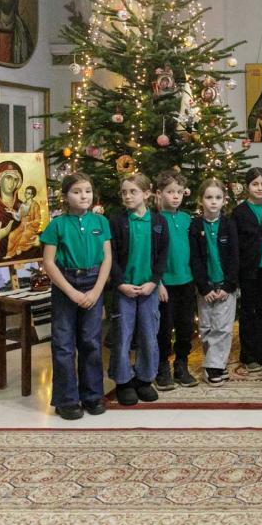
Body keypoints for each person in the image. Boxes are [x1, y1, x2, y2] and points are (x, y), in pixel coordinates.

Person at [40, 173, 112, 421]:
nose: (84, 196)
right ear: (65, 197)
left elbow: (107, 258)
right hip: (65, 284)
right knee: (63, 343)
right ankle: (67, 400)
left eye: (88, 191)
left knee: (91, 341)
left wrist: (97, 290)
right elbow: (49, 262)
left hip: (93, 283)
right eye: (77, 192)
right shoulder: (57, 225)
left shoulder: (101, 222)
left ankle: (92, 395)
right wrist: (70, 291)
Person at [108, 173, 168, 406]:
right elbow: (111, 256)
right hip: (124, 288)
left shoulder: (158, 222)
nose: (127, 196)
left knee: (148, 335)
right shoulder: (117, 221)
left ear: (147, 193)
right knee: (122, 336)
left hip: (148, 289)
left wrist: (154, 281)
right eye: (124, 192)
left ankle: (144, 379)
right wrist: (120, 283)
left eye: (133, 191)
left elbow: (162, 255)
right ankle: (123, 381)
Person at [188, 178, 240, 385]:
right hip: (206, 287)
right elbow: (195, 258)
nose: (213, 201)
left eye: (218, 197)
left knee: (223, 328)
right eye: (209, 197)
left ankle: (213, 366)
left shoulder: (229, 224)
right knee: (207, 326)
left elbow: (235, 257)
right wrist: (204, 286)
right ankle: (216, 362)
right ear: (201, 200)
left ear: (224, 200)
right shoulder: (195, 226)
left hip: (225, 286)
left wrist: (229, 285)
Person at [233, 167, 262, 372]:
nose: (260, 188)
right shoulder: (239, 212)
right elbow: (235, 245)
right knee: (248, 312)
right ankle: (249, 355)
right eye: (255, 184)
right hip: (249, 270)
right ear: (247, 187)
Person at [153, 171, 197, 391]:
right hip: (165, 284)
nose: (175, 196)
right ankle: (162, 366)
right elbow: (152, 254)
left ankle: (182, 364)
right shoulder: (155, 221)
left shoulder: (186, 219)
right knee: (164, 327)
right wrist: (158, 282)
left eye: (179, 192)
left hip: (186, 281)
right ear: (159, 194)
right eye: (170, 192)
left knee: (185, 326)